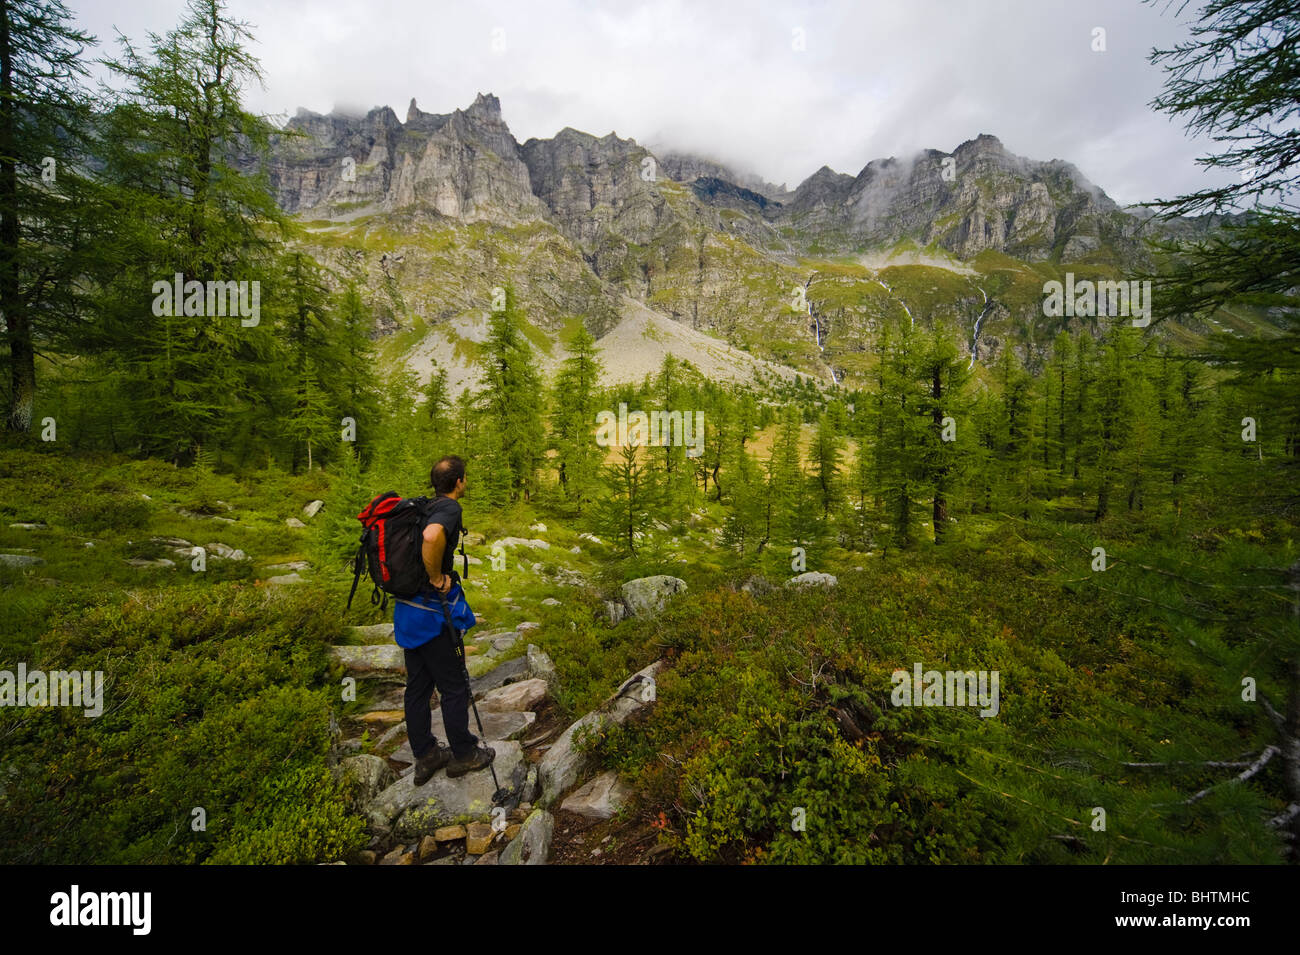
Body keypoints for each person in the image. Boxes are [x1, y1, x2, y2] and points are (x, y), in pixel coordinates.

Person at [394, 454, 495, 785]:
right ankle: (464, 755)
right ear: (459, 482)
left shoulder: (424, 506)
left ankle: (425, 755)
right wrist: (436, 577)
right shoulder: (448, 509)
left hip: (408, 609)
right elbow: (432, 537)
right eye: (465, 477)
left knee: (418, 687)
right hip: (431, 612)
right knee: (453, 686)